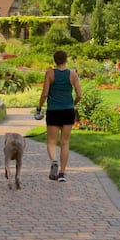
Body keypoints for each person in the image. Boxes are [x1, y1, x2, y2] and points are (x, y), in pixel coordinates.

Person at [36, 50, 82, 182]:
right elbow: (79, 95)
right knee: (65, 143)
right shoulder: (72, 74)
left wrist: (39, 107)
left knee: (51, 141)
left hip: (54, 111)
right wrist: (72, 104)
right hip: (68, 111)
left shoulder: (50, 73)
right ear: (66, 59)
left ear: (55, 60)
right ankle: (62, 173)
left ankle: (54, 161)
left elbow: (44, 94)